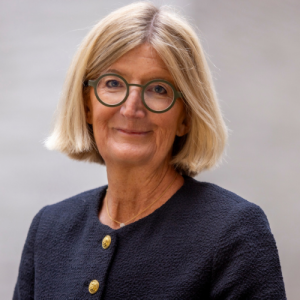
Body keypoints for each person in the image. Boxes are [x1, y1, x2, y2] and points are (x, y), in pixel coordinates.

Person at [13, 2, 286, 299]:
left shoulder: (233, 232)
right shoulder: (50, 229)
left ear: (186, 117)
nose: (131, 109)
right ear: (87, 105)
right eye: (113, 83)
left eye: (159, 89)